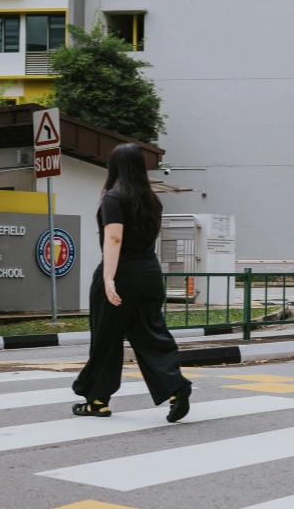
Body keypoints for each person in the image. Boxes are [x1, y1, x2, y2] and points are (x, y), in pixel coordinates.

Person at [72, 142, 191, 422]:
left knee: (106, 337)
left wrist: (108, 278)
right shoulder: (153, 200)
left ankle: (97, 401)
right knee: (151, 335)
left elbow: (114, 238)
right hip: (150, 273)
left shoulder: (114, 197)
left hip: (122, 273)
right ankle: (176, 387)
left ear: (115, 167)